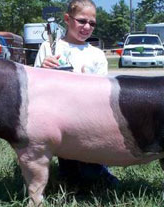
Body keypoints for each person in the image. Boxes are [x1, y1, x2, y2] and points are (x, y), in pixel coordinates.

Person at [34, 0, 119, 187]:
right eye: (82, 21)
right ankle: (67, 165)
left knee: (91, 176)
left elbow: (104, 94)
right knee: (70, 179)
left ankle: (99, 168)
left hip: (88, 121)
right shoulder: (48, 48)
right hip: (58, 121)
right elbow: (34, 89)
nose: (87, 27)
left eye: (92, 23)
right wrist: (42, 68)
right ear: (67, 19)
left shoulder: (96, 54)